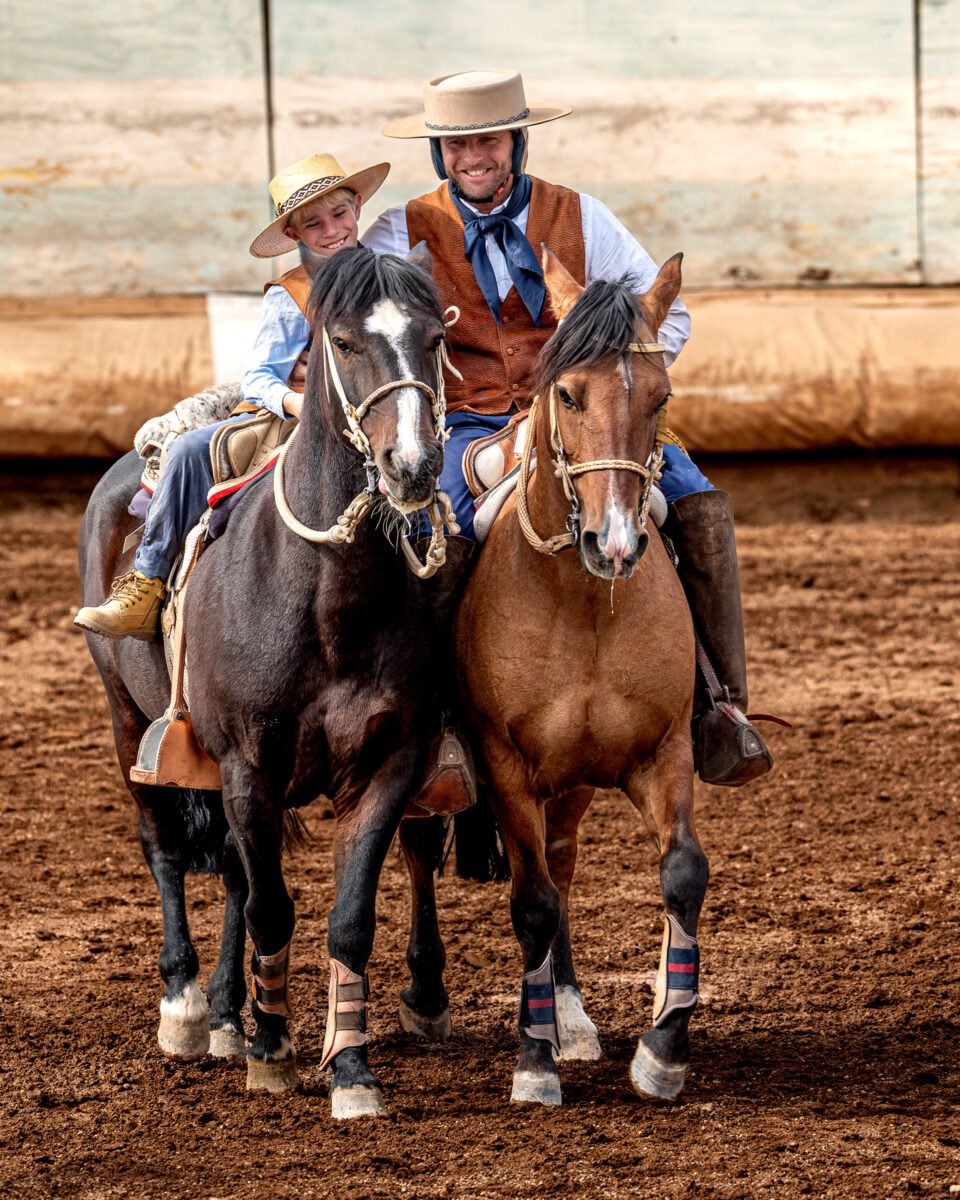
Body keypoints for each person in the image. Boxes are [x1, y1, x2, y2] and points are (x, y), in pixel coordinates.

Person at [364, 69, 770, 784]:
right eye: (456, 145)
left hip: (594, 413)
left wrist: (615, 382)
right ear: (440, 154)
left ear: (514, 141)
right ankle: (435, 730)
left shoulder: (583, 216)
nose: (472, 157)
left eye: (486, 140)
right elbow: (371, 321)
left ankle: (722, 707)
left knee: (699, 503)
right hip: (470, 420)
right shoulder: (401, 229)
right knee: (437, 534)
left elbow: (666, 312)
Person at [75, 153, 389, 640]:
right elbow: (260, 377)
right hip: (296, 415)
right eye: (314, 223)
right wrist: (298, 403)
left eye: (340, 215)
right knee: (189, 450)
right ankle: (149, 577)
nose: (332, 230)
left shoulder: (390, 278)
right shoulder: (291, 295)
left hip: (377, 408)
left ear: (358, 209)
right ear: (294, 236)